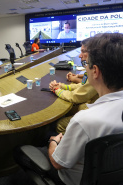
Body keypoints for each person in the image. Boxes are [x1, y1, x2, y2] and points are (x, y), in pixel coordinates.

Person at [48, 33, 123, 185]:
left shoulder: (84, 121)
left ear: (95, 71)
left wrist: (53, 142)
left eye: (86, 64)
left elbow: (58, 163)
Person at [49, 38, 98, 133]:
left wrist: (57, 90)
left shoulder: (95, 73)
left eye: (83, 51)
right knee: (70, 110)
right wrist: (62, 86)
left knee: (60, 124)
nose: (80, 55)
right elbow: (82, 85)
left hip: (92, 113)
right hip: (91, 107)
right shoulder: (92, 68)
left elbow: (76, 97)